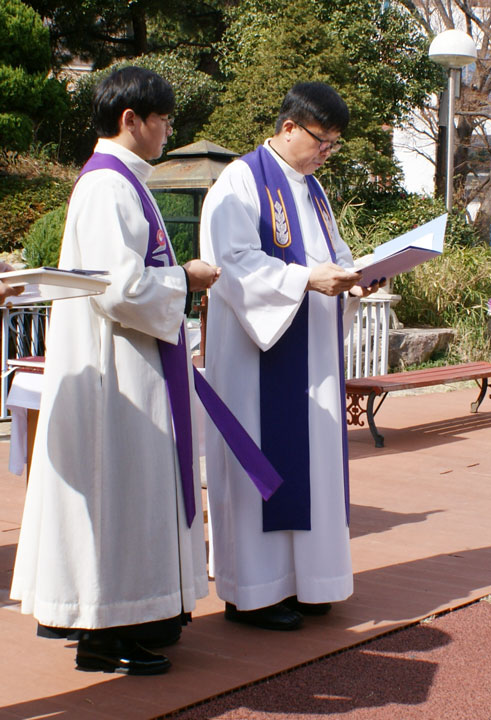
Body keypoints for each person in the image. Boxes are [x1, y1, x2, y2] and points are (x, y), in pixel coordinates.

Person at [10, 66, 221, 675]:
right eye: (163, 120)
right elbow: (118, 288)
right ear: (131, 121)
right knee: (120, 496)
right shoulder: (105, 188)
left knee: (137, 496)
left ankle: (145, 613)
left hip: (135, 360)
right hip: (116, 370)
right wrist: (186, 277)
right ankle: (106, 631)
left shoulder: (127, 183)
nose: (168, 131)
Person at [200, 82, 379, 631]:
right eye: (322, 140)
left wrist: (356, 278)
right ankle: (254, 593)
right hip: (261, 361)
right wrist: (305, 279)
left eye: (334, 145)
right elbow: (229, 261)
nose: (327, 152)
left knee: (315, 468)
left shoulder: (314, 191)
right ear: (288, 128)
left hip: (312, 358)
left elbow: (333, 257)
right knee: (264, 466)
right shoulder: (241, 180)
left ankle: (309, 581)